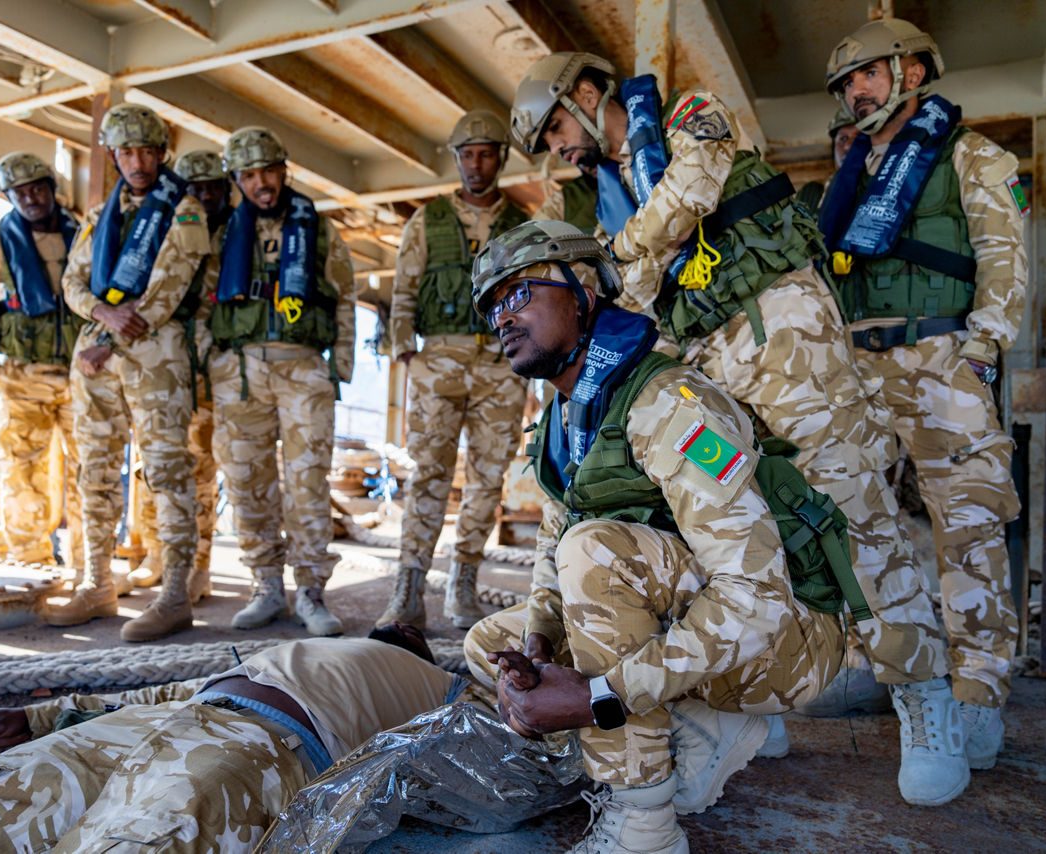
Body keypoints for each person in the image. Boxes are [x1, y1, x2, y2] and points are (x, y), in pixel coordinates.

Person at [510, 51, 960, 806]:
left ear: (588, 96)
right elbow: (639, 306)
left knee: (860, 518)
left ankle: (924, 698)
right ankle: (756, 703)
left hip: (785, 342)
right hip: (709, 368)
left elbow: (692, 190)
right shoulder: (608, 205)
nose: (557, 146)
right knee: (743, 528)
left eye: (557, 125)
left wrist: (620, 258)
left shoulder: (688, 117)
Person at [463, 221, 843, 854]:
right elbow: (551, 544)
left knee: (596, 555)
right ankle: (693, 728)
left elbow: (755, 598)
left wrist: (598, 697)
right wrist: (536, 638)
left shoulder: (670, 404)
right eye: (493, 307)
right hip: (699, 627)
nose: (503, 318)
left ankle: (643, 826)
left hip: (786, 643)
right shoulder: (568, 417)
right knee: (490, 647)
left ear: (583, 290)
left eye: (520, 293)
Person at [820, 16, 1026, 784]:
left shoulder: (973, 157)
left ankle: (978, 692)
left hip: (944, 358)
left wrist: (982, 353)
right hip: (862, 370)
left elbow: (1005, 262)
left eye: (865, 75)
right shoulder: (854, 176)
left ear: (910, 73)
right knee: (863, 526)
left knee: (968, 529)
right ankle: (901, 668)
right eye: (844, 84)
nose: (853, 92)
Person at [0, 626, 468, 853]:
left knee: (134, 843)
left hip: (264, 743)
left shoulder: (438, 682)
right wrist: (41, 718)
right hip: (171, 720)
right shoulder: (295, 651)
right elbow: (163, 695)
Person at [47, 104, 210, 643]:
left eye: (146, 151)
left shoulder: (184, 210)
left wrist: (111, 336)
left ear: (162, 154)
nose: (137, 162)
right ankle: (96, 582)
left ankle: (174, 596)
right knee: (93, 470)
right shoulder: (99, 215)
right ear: (113, 155)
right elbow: (73, 282)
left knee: (166, 471)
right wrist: (101, 316)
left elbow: (169, 286)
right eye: (126, 152)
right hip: (96, 352)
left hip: (153, 355)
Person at [376, 110, 529, 630]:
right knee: (429, 477)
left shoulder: (521, 223)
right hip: (437, 361)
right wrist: (403, 352)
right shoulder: (427, 221)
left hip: (500, 364)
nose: (476, 164)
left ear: (500, 158)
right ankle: (410, 587)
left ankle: (463, 583)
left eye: (486, 154)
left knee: (488, 480)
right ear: (456, 159)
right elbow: (403, 289)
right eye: (467, 155)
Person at [203, 126, 356, 636]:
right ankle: (266, 585)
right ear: (237, 180)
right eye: (249, 174)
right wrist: (209, 366)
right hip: (239, 372)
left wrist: (343, 365)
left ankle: (311, 591)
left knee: (308, 480)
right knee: (247, 481)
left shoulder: (320, 229)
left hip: (303, 368)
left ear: (283, 171)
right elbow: (203, 300)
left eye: (269, 170)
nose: (261, 182)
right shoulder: (223, 232)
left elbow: (345, 296)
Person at [128, 150, 233, 604]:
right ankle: (159, 555)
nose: (205, 197)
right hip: (159, 367)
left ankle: (200, 566)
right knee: (152, 468)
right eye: (196, 189)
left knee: (199, 470)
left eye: (214, 188)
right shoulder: (164, 234)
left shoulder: (235, 235)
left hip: (207, 371)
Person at [0, 151, 85, 570]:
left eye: (38, 188)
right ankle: (32, 562)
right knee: (22, 473)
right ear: (9, 198)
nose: (31, 198)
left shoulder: (85, 239)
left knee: (90, 472)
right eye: (19, 193)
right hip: (22, 377)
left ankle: (87, 564)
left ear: (52, 189)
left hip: (81, 375)